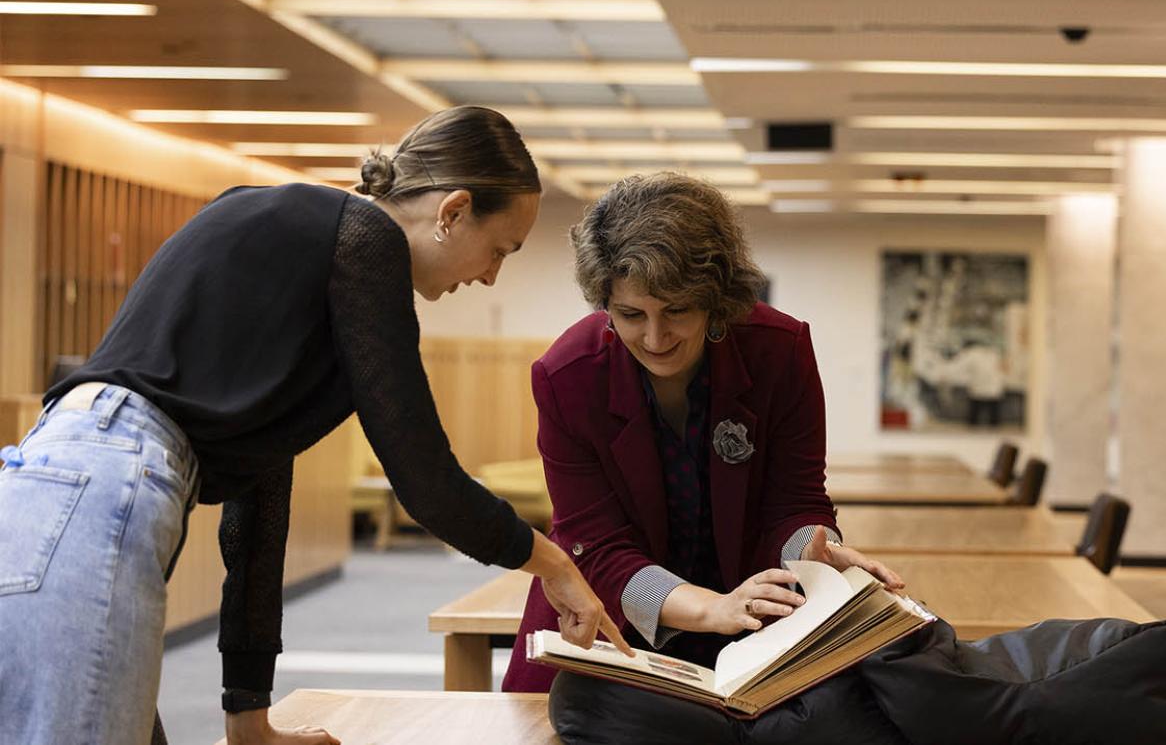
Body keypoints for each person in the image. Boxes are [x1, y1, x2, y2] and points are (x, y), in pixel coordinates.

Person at [0, 106, 630, 745]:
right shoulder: (365, 242)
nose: (491, 275)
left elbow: (257, 506)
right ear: (453, 211)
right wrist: (552, 563)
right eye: (501, 249)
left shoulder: (295, 236)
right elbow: (425, 480)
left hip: (60, 480)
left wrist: (248, 718)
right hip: (107, 484)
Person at [503, 172, 904, 693]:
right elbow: (597, 546)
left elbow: (796, 501)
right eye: (629, 314)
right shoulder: (567, 377)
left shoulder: (778, 352)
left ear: (715, 298)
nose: (654, 336)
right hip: (610, 631)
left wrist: (811, 554)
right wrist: (713, 607)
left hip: (752, 631)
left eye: (677, 310)